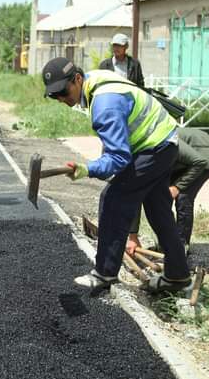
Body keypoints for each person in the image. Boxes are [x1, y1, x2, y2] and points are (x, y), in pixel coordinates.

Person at [42, 57, 190, 293]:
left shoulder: (104, 104)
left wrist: (87, 169)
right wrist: (101, 166)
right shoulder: (95, 81)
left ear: (77, 79)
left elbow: (119, 158)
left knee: (113, 199)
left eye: (63, 91)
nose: (60, 98)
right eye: (54, 95)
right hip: (165, 141)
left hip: (154, 147)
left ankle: (104, 273)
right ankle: (178, 275)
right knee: (158, 209)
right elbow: (116, 147)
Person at [126, 127, 209, 255]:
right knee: (158, 198)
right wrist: (132, 236)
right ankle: (167, 244)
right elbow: (135, 195)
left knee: (183, 196)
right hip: (178, 160)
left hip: (203, 152)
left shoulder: (156, 143)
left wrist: (177, 187)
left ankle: (181, 248)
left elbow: (199, 162)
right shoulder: (130, 159)